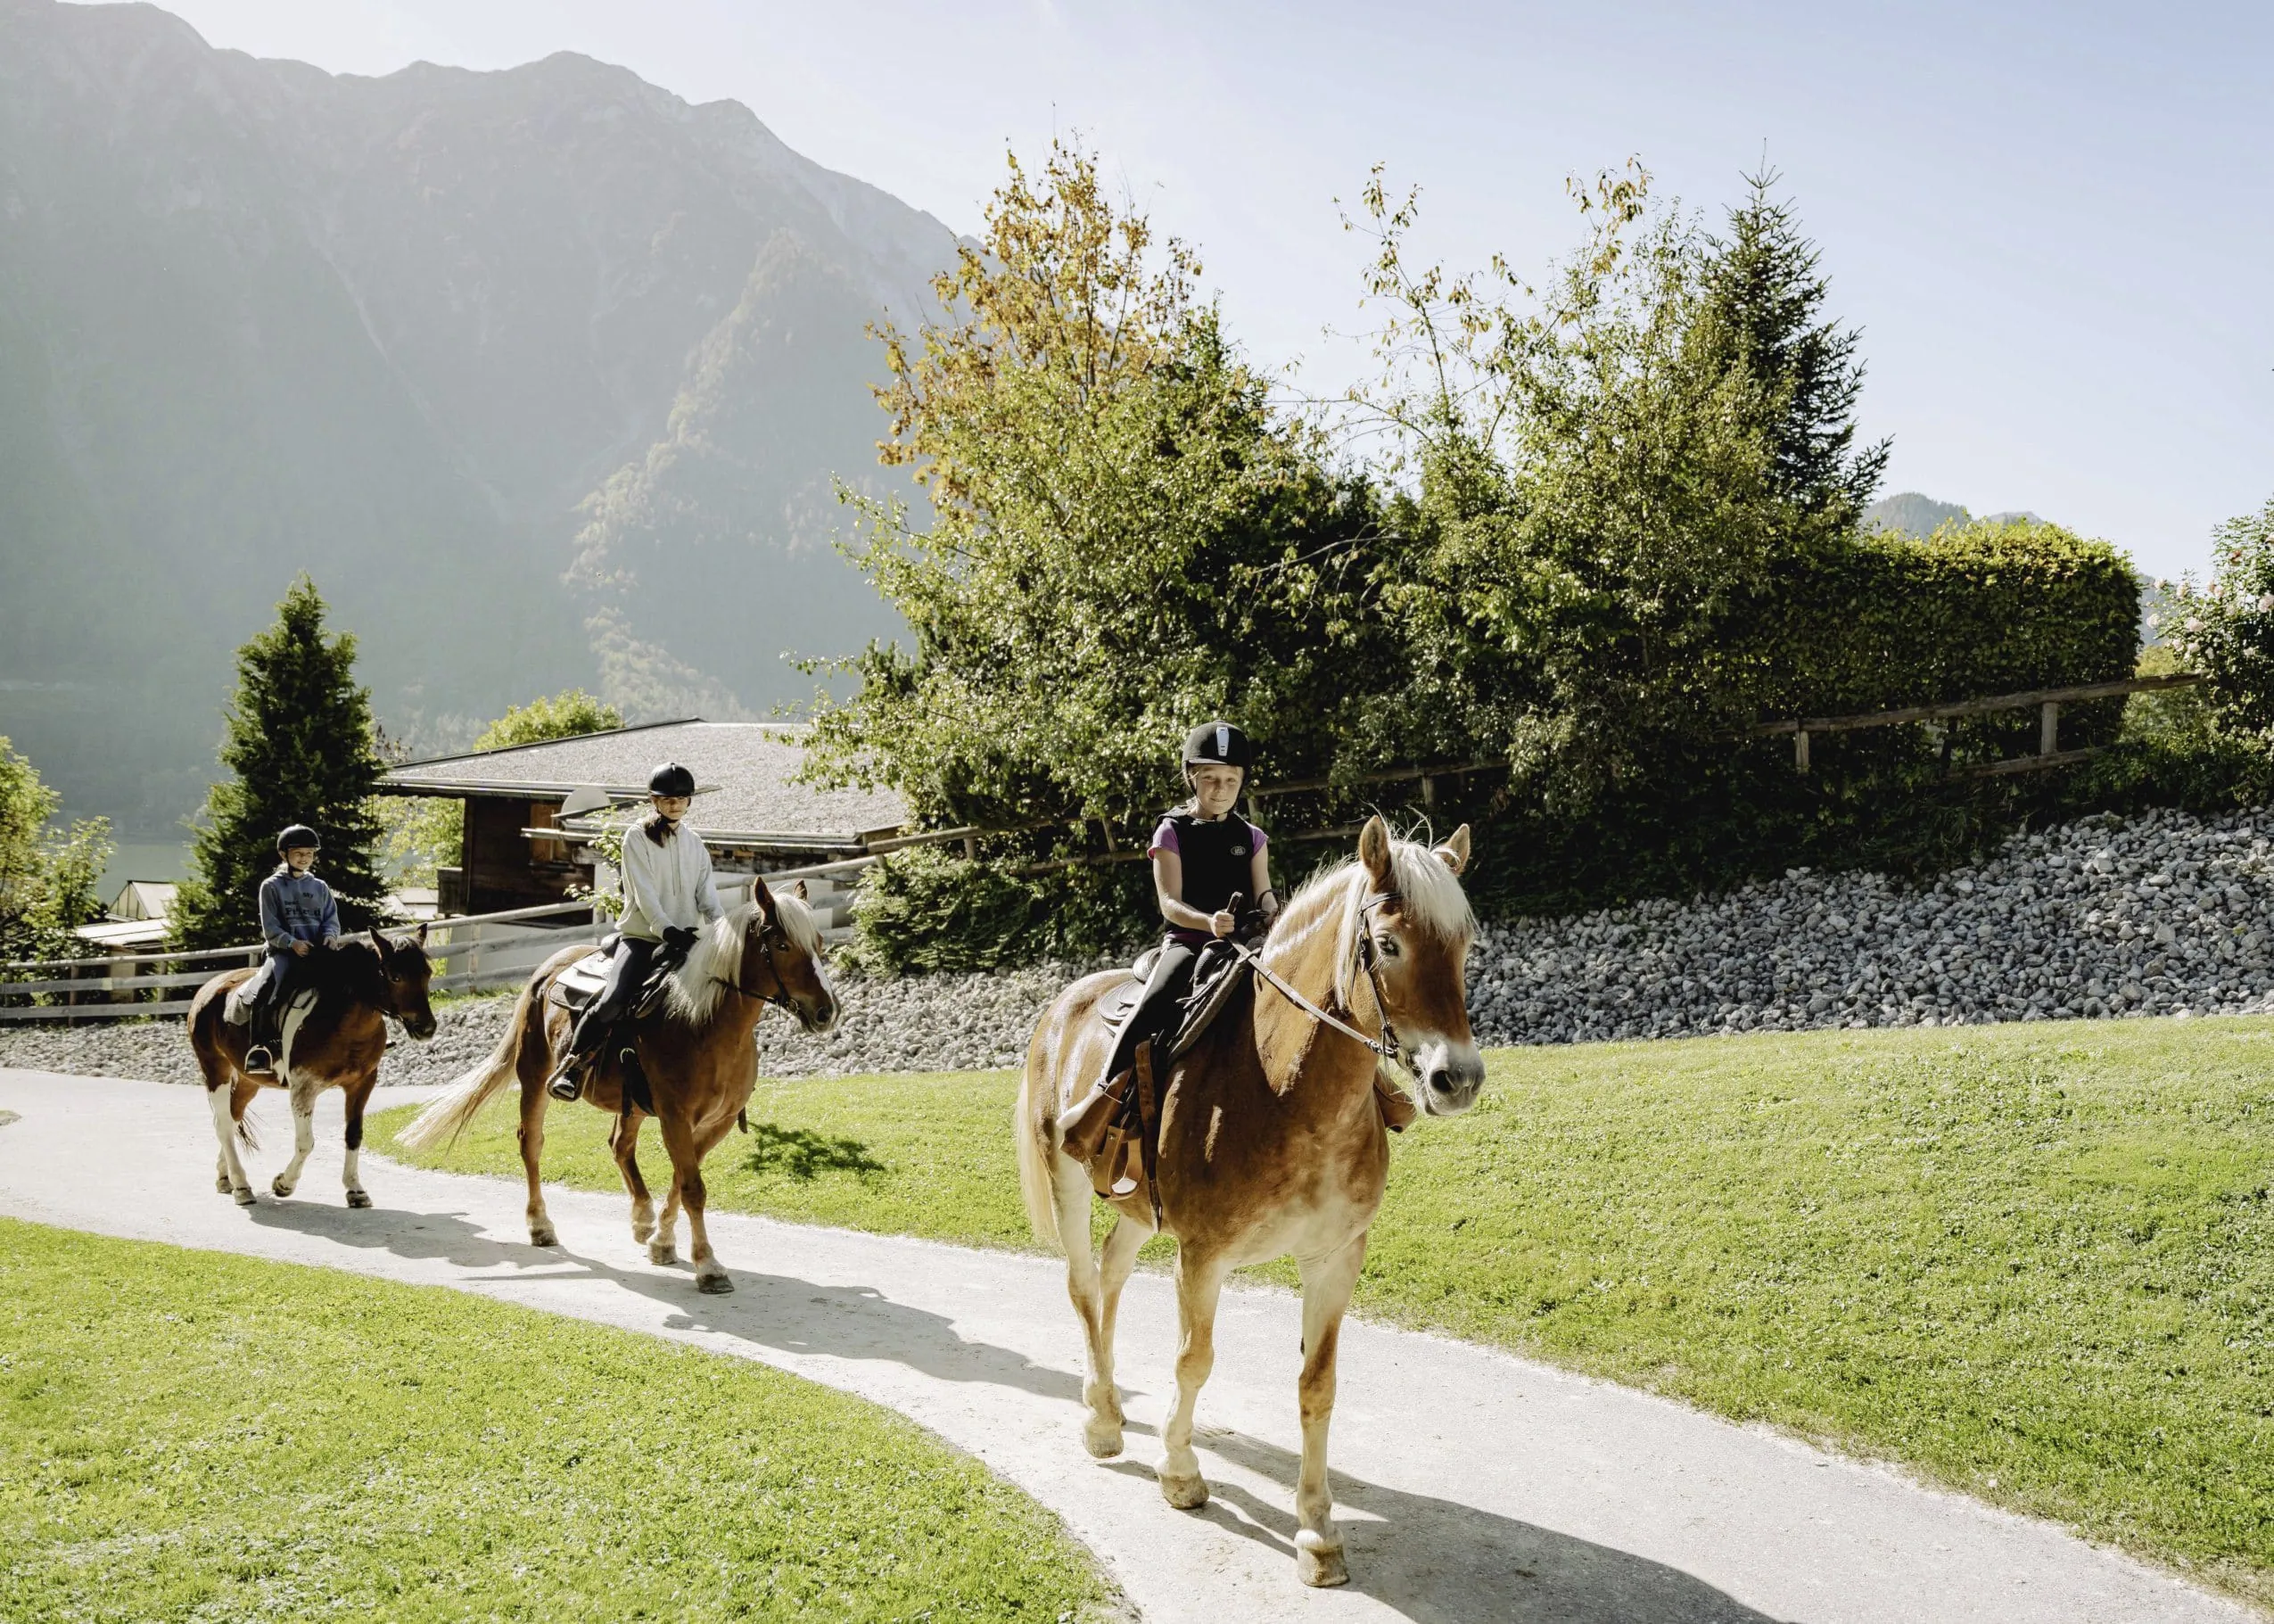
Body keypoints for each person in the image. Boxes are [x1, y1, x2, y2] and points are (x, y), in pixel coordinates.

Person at [1092, 720, 1278, 1093]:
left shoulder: (1253, 837)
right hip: (1189, 943)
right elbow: (1169, 904)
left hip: (1246, 943)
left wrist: (1277, 914)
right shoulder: (1171, 831)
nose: (1220, 789)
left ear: (1242, 781)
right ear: (1191, 776)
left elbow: (1264, 894)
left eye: (1230, 780)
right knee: (1156, 1000)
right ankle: (1105, 1092)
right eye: (1210, 778)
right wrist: (1208, 922)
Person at [547, 762, 723, 1101]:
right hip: (643, 938)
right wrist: (666, 929)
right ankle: (573, 1066)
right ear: (654, 801)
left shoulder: (695, 843)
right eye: (667, 798)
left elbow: (708, 897)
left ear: (689, 801)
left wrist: (723, 930)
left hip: (688, 940)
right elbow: (644, 894)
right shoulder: (637, 837)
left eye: (681, 798)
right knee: (613, 1000)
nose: (675, 804)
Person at [243, 824, 339, 1075]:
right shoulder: (271, 886)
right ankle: (260, 1049)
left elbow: (331, 919)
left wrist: (330, 936)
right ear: (284, 854)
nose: (304, 858)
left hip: (318, 953)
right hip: (284, 953)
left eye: (309, 853)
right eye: (298, 853)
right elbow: (270, 927)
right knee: (265, 990)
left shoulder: (320, 887)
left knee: (350, 983)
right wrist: (292, 943)